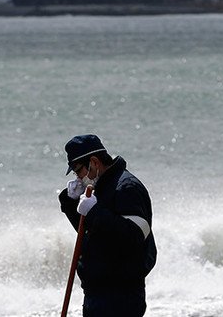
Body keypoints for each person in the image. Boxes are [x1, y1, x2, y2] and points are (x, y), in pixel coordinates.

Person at [58, 134, 157, 316]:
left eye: (78, 170)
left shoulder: (127, 187)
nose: (79, 178)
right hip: (97, 293)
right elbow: (88, 232)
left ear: (94, 162)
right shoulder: (99, 188)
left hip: (120, 296)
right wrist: (70, 203)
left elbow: (134, 236)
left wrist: (94, 212)